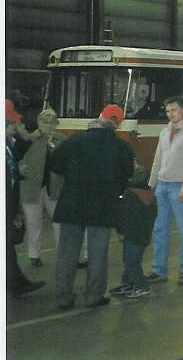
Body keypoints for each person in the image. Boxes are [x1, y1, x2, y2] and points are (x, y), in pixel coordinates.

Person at [49, 104, 133, 309]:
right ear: (118, 125)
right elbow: (127, 176)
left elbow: (55, 164)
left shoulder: (75, 140)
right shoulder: (122, 147)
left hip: (72, 203)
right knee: (98, 253)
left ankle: (63, 297)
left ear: (99, 118)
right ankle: (93, 296)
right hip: (102, 206)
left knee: (67, 252)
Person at [147, 96, 183, 286]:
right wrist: (151, 184)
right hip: (162, 186)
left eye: (174, 110)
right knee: (160, 229)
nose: (170, 114)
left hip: (179, 187)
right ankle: (158, 270)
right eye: (168, 111)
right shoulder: (164, 132)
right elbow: (157, 159)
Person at [6, 100, 46, 298]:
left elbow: (14, 159)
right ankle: (16, 285)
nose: (17, 126)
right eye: (13, 123)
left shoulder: (7, 143)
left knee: (7, 249)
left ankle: (17, 284)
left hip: (8, 204)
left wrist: (17, 171)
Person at [18, 108, 66, 267]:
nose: (48, 126)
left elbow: (68, 162)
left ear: (56, 124)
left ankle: (63, 255)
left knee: (60, 223)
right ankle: (34, 255)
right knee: (33, 223)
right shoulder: (28, 139)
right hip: (31, 187)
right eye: (45, 122)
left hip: (55, 188)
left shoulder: (62, 141)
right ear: (39, 123)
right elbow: (17, 158)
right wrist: (20, 166)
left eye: (52, 123)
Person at [109, 164, 156, 299]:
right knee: (133, 260)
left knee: (131, 262)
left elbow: (122, 215)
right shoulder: (151, 195)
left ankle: (142, 286)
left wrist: (120, 231)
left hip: (130, 235)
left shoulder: (130, 195)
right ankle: (128, 284)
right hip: (143, 235)